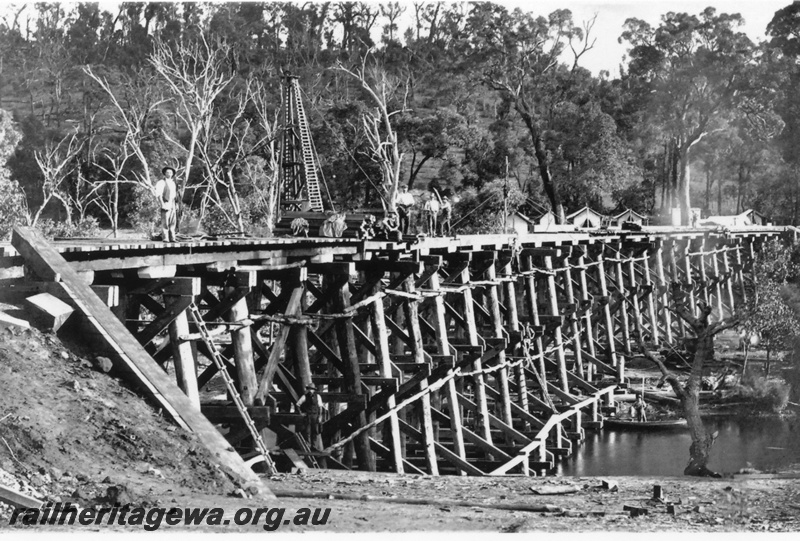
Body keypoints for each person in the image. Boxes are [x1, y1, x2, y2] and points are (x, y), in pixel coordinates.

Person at [296, 384, 325, 448]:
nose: (310, 390)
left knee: (315, 431)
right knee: (307, 431)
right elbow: (298, 404)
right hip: (308, 416)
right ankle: (308, 446)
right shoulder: (304, 396)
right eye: (309, 389)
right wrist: (301, 413)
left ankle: (314, 446)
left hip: (315, 416)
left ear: (314, 390)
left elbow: (320, 407)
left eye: (312, 389)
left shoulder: (318, 396)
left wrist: (320, 416)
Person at [154, 166, 178, 242]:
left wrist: (176, 204)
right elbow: (159, 195)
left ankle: (173, 238)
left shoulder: (173, 183)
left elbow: (174, 195)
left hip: (172, 203)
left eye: (171, 172)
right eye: (168, 172)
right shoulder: (161, 182)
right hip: (166, 202)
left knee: (173, 222)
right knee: (165, 222)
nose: (169, 174)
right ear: (165, 173)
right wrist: (162, 204)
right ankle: (165, 238)